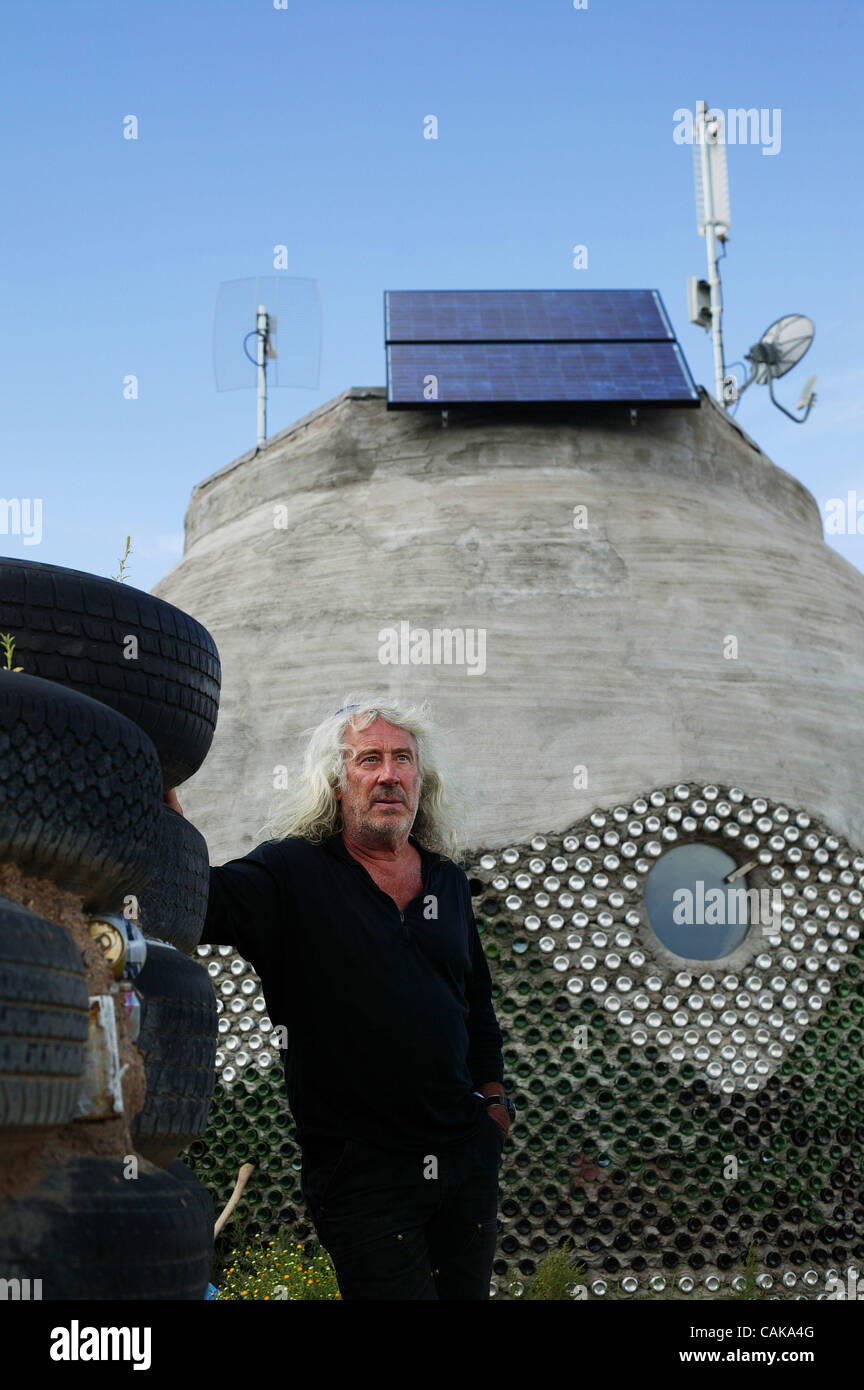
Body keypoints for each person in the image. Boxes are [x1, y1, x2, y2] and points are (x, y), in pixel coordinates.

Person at [164, 695, 514, 1300]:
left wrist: (494, 1104)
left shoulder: (446, 882)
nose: (389, 775)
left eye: (402, 759)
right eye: (369, 759)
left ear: (420, 781)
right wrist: (168, 834)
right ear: (336, 782)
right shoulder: (290, 874)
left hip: (465, 1158)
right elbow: (202, 905)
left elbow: (475, 1004)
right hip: (362, 1172)